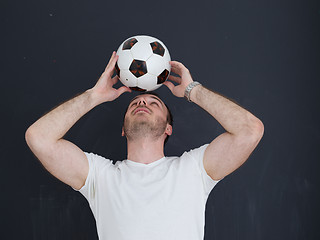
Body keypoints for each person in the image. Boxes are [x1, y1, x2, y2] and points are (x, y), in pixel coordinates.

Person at [25, 51, 264, 240]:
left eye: (154, 102)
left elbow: (250, 130)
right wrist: (94, 96)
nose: (142, 101)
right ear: (123, 129)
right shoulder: (100, 176)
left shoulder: (194, 169)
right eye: (136, 103)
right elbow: (39, 137)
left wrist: (193, 90)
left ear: (168, 128)